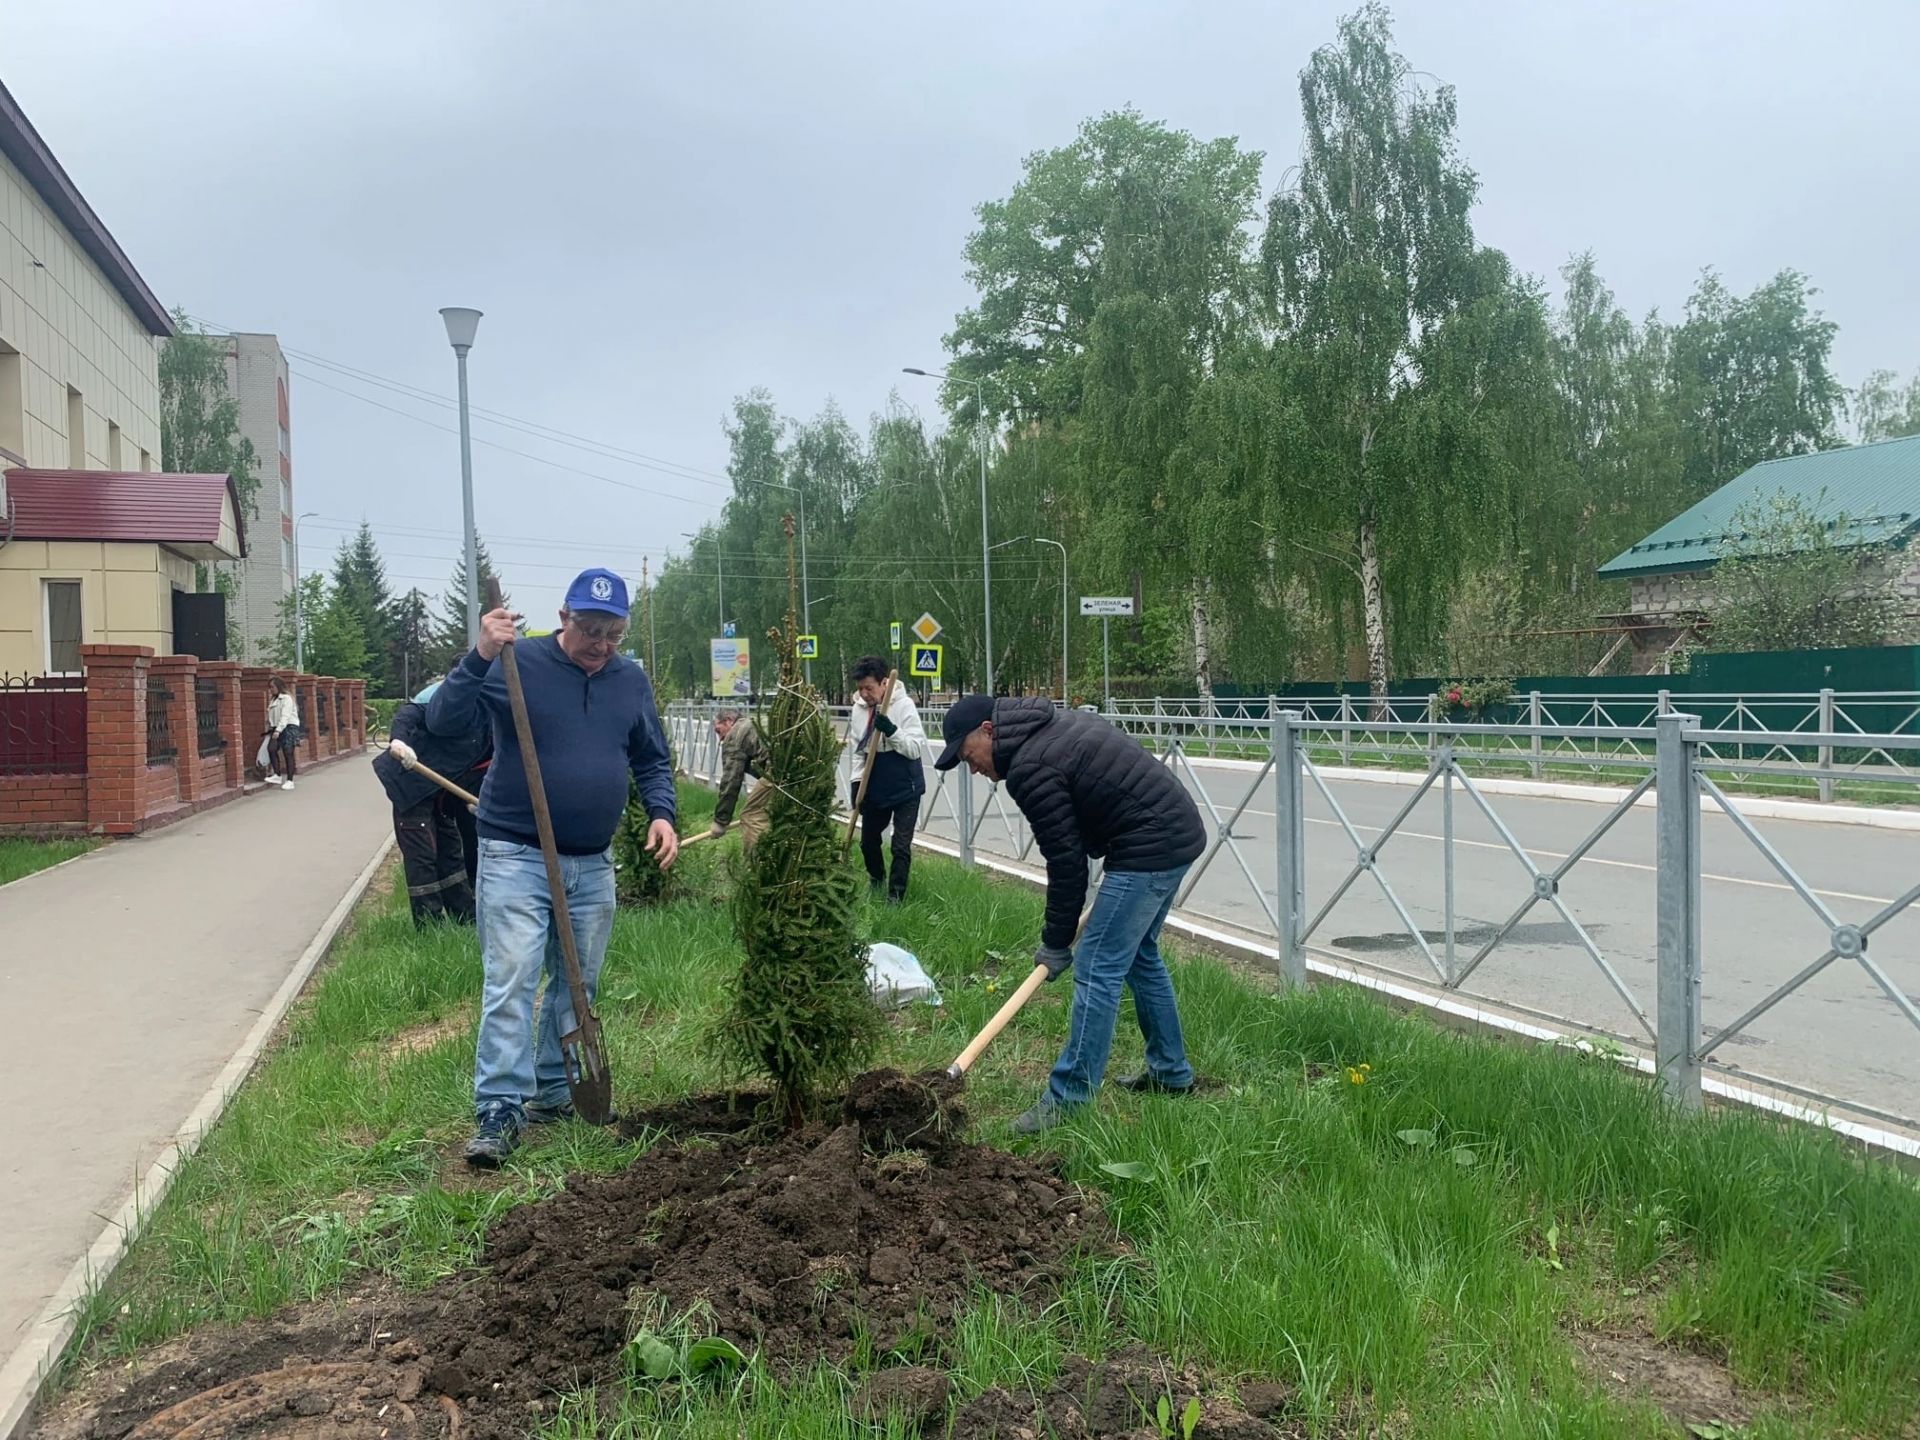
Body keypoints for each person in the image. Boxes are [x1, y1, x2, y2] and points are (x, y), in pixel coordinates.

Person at [427, 567, 678, 1167]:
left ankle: (555, 1089)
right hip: (516, 852)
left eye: (613, 633)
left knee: (579, 981)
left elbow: (652, 758)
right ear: (564, 619)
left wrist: (662, 813)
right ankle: (499, 1107)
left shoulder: (629, 679)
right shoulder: (519, 664)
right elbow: (443, 722)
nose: (601, 643)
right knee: (511, 978)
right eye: (590, 629)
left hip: (592, 862)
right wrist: (481, 655)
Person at [934, 694, 1205, 1133]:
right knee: (1139, 956)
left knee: (1098, 963)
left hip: (1151, 845)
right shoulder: (1048, 727)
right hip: (1176, 831)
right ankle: (1170, 1072)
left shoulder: (1030, 767)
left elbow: (1065, 862)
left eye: (969, 757)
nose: (975, 769)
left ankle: (1068, 1100)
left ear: (988, 730)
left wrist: (1056, 942)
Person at [371, 680, 492, 926]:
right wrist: (398, 741)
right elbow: (409, 712)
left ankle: (465, 917)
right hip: (411, 783)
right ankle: (429, 925)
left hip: (440, 792)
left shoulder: (492, 709)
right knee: (422, 855)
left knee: (450, 851)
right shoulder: (449, 692)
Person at [847, 655, 928, 903]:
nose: (864, 694)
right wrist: (856, 783)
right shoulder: (858, 709)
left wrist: (892, 731)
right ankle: (876, 879)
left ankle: (896, 897)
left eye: (869, 688)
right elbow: (857, 750)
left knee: (900, 845)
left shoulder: (903, 705)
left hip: (905, 783)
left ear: (884, 684)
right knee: (868, 840)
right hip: (875, 780)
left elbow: (915, 747)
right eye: (860, 688)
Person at [707, 707, 773, 851]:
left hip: (779, 769)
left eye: (719, 731)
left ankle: (758, 863)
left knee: (751, 815)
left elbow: (731, 781)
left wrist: (720, 821)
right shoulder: (754, 724)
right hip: (804, 763)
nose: (721, 739)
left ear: (729, 721)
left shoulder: (735, 734)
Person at [262, 677, 303, 790]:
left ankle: (290, 780)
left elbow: (285, 716)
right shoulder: (273, 700)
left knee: (288, 753)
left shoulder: (286, 699)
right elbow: (272, 717)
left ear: (279, 686)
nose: (271, 689)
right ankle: (277, 775)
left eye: (272, 687)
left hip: (288, 727)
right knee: (271, 749)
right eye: (269, 687)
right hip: (277, 728)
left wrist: (278, 730)